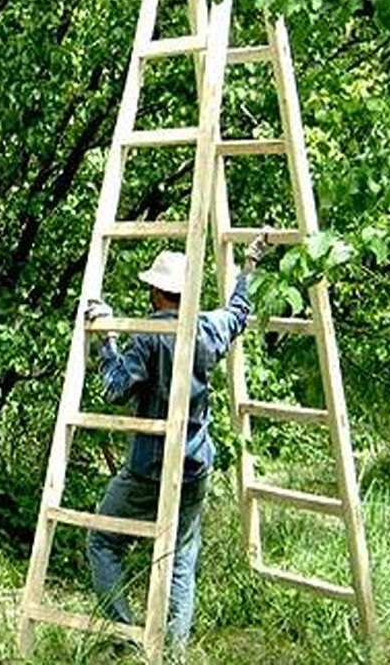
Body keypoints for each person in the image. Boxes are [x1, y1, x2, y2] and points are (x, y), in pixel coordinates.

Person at [83, 235, 269, 655]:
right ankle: (174, 654)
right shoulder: (206, 328)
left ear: (154, 291)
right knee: (182, 560)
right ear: (186, 292)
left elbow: (114, 388)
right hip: (194, 465)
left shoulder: (148, 337)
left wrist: (106, 336)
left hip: (149, 466)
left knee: (102, 542)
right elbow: (239, 313)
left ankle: (127, 637)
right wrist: (250, 263)